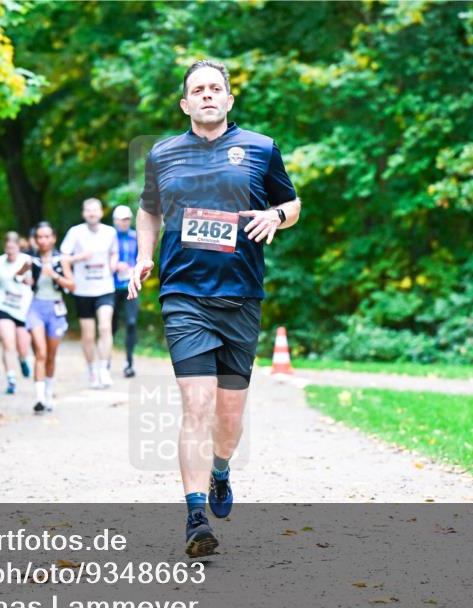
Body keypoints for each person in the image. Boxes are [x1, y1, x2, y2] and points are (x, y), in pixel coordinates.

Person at [128, 60, 301, 557]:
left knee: (228, 419)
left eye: (215, 89)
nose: (207, 95)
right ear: (185, 104)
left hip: (241, 295)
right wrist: (143, 255)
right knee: (196, 406)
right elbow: (149, 209)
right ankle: (195, 515)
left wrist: (274, 216)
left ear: (229, 100)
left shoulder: (261, 149)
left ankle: (221, 469)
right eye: (197, 90)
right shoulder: (163, 154)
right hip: (184, 294)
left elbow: (292, 205)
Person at [60, 198, 118, 389]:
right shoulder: (75, 232)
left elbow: (114, 253)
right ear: (83, 213)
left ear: (101, 213)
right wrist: (79, 259)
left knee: (105, 328)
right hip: (83, 290)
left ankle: (104, 369)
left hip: (104, 288)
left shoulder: (110, 232)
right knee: (88, 335)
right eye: (88, 210)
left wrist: (113, 264)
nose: (92, 213)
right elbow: (63, 258)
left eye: (95, 210)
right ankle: (92, 370)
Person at [18, 222, 75, 414]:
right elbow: (16, 276)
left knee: (51, 355)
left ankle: (48, 394)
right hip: (36, 308)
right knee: (40, 353)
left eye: (46, 236)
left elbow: (72, 286)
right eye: (39, 237)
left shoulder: (61, 260)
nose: (43, 240)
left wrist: (54, 275)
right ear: (35, 239)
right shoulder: (31, 260)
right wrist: (23, 276)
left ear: (53, 238)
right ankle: (39, 398)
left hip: (56, 309)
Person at [0, 232, 34, 394]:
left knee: (23, 348)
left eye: (13, 248)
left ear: (19, 246)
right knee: (7, 342)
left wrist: (27, 280)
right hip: (3, 306)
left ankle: (23, 359)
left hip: (23, 308)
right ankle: (11, 379)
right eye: (8, 248)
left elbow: (34, 281)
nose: (10, 251)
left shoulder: (27, 261)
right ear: (4, 247)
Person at [111, 204, 139, 378]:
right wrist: (114, 266)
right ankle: (105, 362)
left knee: (131, 323)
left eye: (127, 219)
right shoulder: (108, 237)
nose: (124, 222)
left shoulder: (136, 237)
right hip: (110, 287)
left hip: (130, 285)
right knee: (110, 325)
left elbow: (142, 258)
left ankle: (129, 362)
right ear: (115, 221)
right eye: (121, 219)